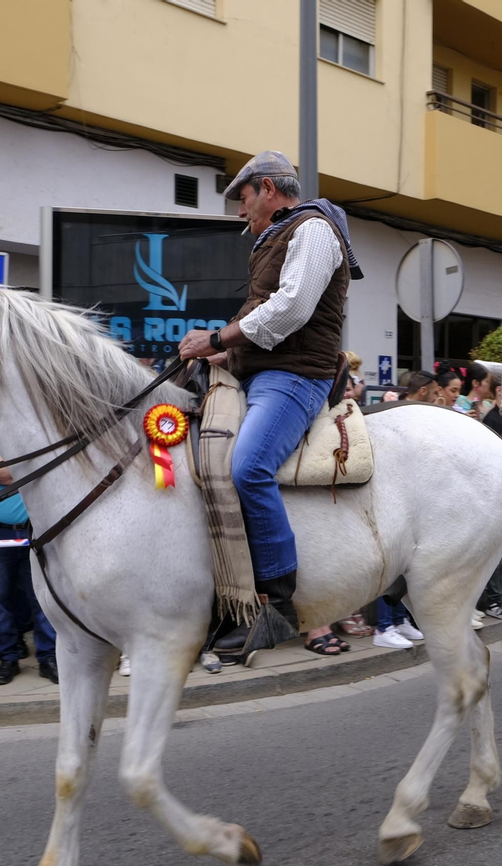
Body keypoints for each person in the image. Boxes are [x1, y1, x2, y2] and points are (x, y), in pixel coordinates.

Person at [176, 150, 363, 662]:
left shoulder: (315, 230)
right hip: (260, 373)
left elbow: (293, 308)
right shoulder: (273, 239)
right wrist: (220, 350)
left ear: (267, 189)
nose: (240, 211)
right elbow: (263, 321)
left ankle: (274, 604)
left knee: (248, 467)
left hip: (296, 378)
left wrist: (217, 335)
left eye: (243, 198)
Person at [0, 428, 57, 685]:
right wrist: (22, 464)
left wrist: (2, 465)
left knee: (40, 597)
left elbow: (4, 469)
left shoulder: (23, 428)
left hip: (33, 531)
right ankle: (8, 657)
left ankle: (48, 656)